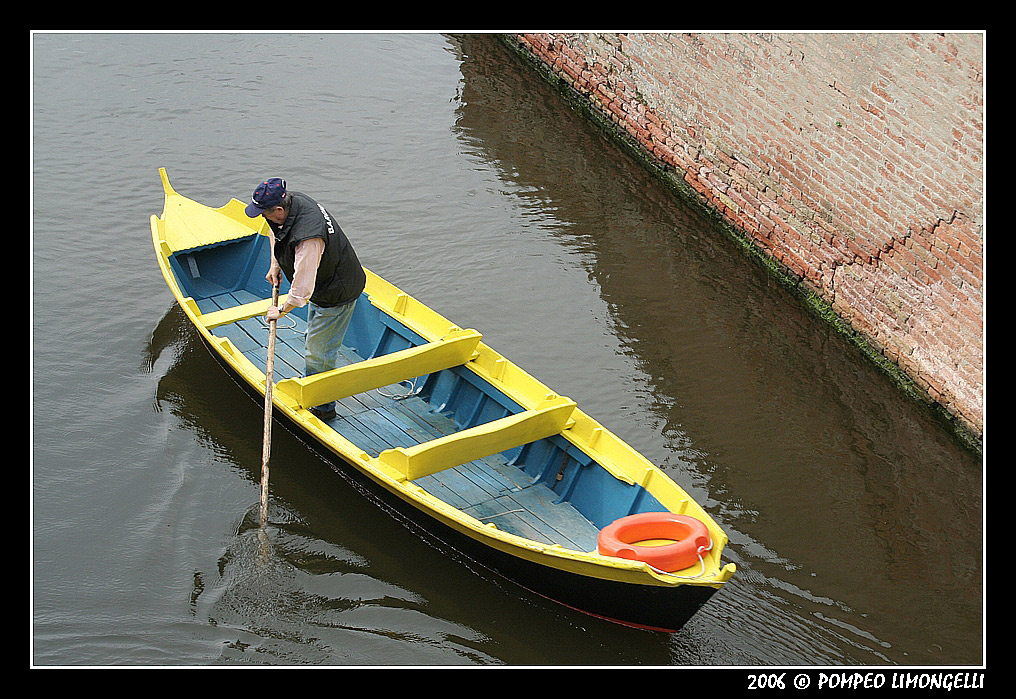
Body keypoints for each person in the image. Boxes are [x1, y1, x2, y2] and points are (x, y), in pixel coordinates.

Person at [245, 177, 366, 421]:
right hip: (327, 278)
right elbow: (274, 230)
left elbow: (301, 291)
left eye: (264, 213)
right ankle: (318, 372)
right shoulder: (292, 203)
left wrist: (280, 310)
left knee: (317, 354)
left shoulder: (308, 237)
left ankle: (323, 408)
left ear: (278, 210)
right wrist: (275, 263)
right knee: (317, 341)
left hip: (335, 291)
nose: (263, 218)